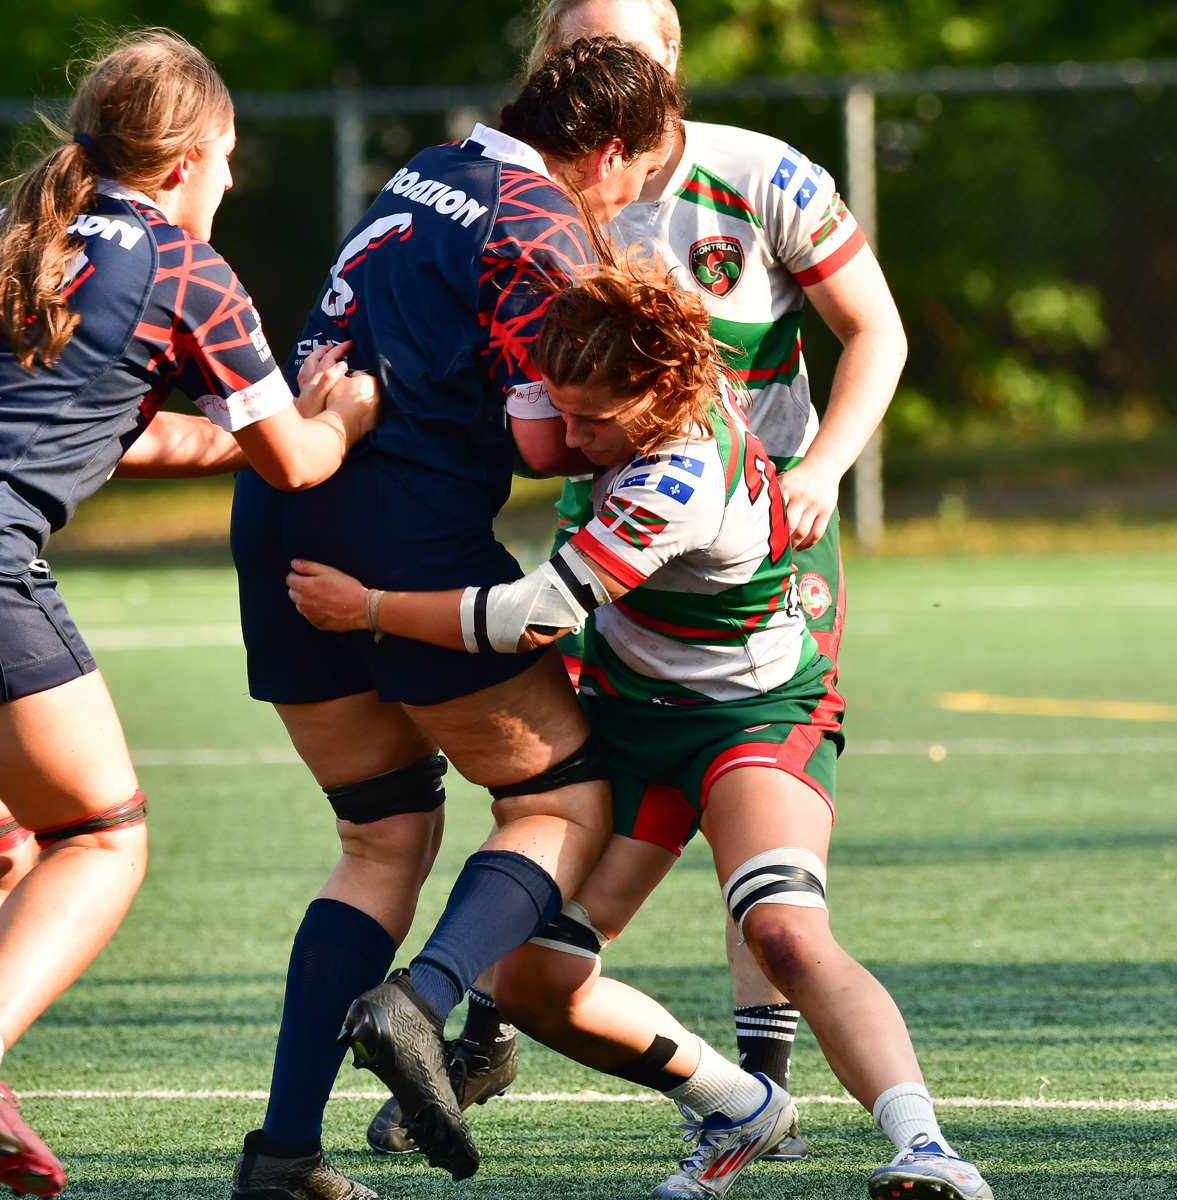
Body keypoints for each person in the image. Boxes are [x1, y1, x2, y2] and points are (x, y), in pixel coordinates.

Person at [0, 30, 380, 1200]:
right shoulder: (186, 269)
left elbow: (95, 425)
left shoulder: (8, 239)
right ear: (184, 162)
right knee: (104, 837)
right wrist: (351, 411)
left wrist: (239, 436)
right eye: (225, 161)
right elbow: (301, 463)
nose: (226, 183)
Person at [287, 264, 990, 1200]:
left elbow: (536, 613)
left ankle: (925, 1147)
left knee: (781, 930)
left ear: (659, 394)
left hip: (750, 715)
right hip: (630, 713)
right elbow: (515, 418)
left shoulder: (682, 476)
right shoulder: (617, 388)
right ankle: (736, 1105)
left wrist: (370, 606)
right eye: (563, 413)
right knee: (535, 983)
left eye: (590, 423)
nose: (566, 443)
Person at [364, 0, 909, 1163]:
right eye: (574, 48)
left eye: (630, 44)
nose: (602, 64)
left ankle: (758, 1075)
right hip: (612, 521)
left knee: (743, 783)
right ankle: (505, 1013)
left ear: (668, 55)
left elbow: (878, 331)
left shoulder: (763, 174)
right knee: (579, 778)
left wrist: (818, 470)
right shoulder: (545, 195)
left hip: (758, 531)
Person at [226, 37, 682, 1196]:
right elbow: (541, 437)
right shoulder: (544, 221)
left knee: (381, 836)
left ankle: (284, 1155)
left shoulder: (424, 170)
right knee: (559, 797)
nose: (635, 200)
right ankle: (421, 1005)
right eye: (641, 174)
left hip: (281, 514)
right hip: (403, 527)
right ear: (611, 151)